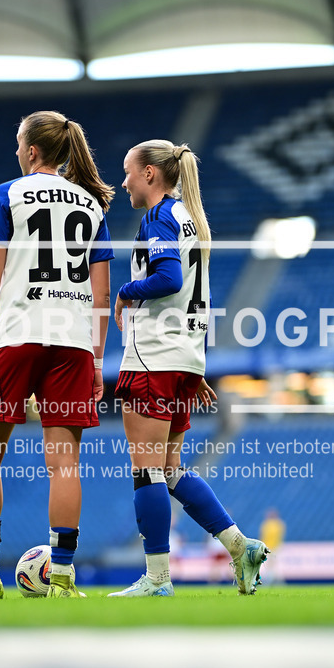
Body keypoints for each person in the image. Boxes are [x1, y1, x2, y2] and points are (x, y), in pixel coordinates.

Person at [0, 110, 114, 599]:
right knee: (65, 465)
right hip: (71, 342)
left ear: (31, 151)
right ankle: (63, 578)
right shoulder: (92, 204)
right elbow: (102, 296)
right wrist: (96, 360)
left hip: (16, 335)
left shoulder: (8, 194)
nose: (16, 151)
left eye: (18, 143)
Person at [108, 139, 269, 597]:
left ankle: (158, 578)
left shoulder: (158, 217)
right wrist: (194, 365)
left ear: (151, 175)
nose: (124, 182)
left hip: (152, 356)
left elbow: (169, 279)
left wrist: (124, 291)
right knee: (171, 468)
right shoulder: (190, 219)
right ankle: (240, 547)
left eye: (128, 172)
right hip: (182, 357)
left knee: (147, 471)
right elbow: (201, 294)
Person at [259, 507, 286, 584]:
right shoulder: (280, 524)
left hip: (269, 548)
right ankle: (277, 582)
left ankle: (270, 582)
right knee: (272, 566)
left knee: (270, 566)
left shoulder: (267, 524)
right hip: (275, 548)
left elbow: (264, 536)